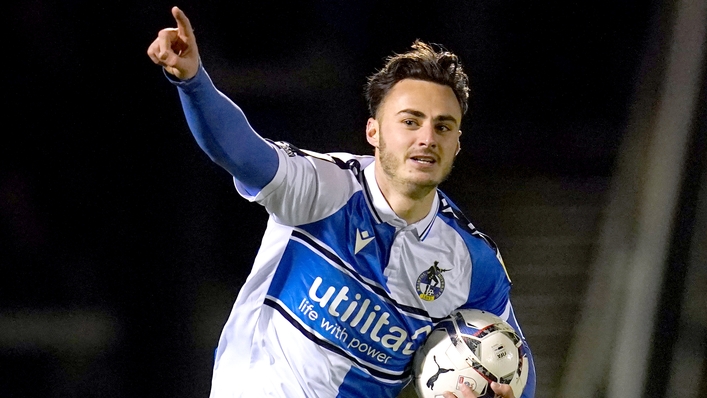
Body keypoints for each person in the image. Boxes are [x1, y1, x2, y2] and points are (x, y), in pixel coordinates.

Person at [147, 7, 536, 398]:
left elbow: (515, 359)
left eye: (443, 126)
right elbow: (242, 153)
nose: (427, 138)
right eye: (410, 121)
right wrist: (194, 82)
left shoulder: (471, 261)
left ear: (457, 143)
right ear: (374, 131)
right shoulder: (324, 186)